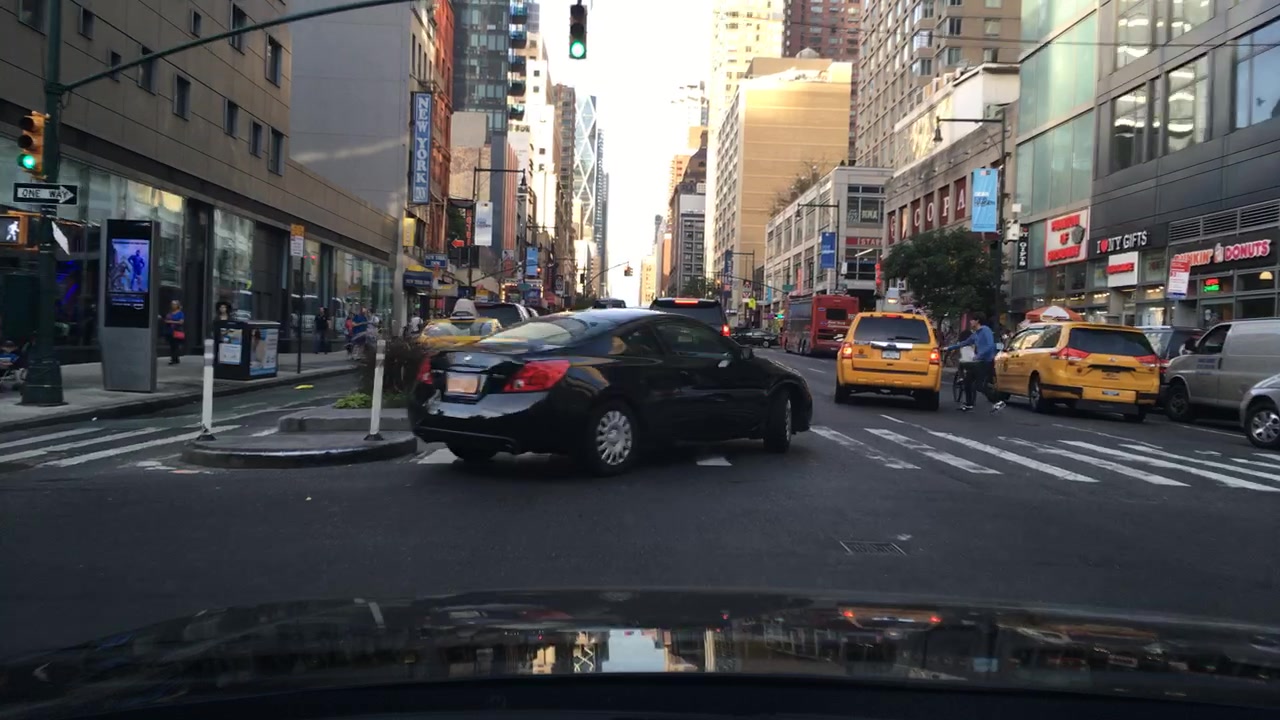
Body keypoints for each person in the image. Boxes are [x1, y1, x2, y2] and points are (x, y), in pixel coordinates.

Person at [942, 313, 1004, 413]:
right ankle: (969, 404)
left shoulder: (985, 330)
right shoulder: (976, 334)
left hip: (986, 361)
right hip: (979, 362)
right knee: (967, 381)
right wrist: (949, 348)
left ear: (977, 321)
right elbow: (965, 343)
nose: (970, 322)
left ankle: (998, 402)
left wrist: (979, 355)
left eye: (972, 320)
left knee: (980, 386)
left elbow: (990, 345)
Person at [162, 300, 185, 364]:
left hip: (177, 331)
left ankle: (174, 358)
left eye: (174, 304)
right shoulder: (170, 313)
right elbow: (166, 320)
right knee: (172, 345)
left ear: (177, 305)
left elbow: (181, 322)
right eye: (172, 304)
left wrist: (171, 321)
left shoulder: (180, 313)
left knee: (176, 345)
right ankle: (174, 358)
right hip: (170, 331)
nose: (173, 306)